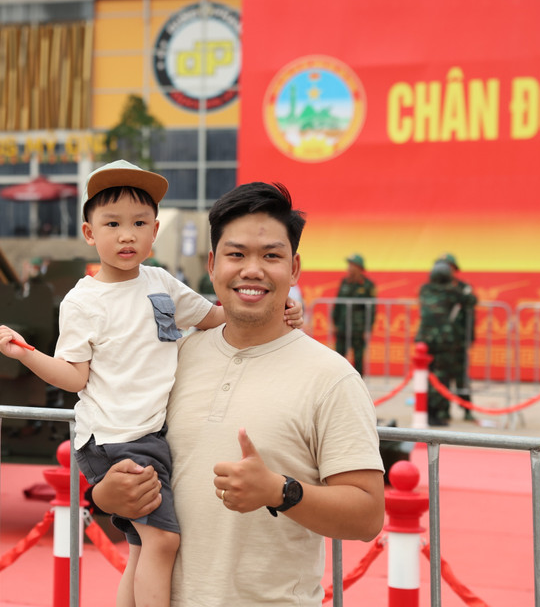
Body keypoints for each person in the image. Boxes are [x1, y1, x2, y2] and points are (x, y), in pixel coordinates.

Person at [0, 161, 304, 607]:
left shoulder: (162, 283)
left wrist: (281, 311)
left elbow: (214, 316)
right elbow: (74, 375)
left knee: (140, 547)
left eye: (138, 224)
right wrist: (25, 355)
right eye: (111, 224)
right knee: (162, 544)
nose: (126, 235)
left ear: (155, 231)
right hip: (117, 439)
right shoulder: (82, 301)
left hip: (148, 435)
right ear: (88, 233)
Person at [90, 181, 385, 606]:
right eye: (236, 254)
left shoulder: (331, 378)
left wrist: (280, 491)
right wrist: (104, 495)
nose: (252, 269)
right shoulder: (172, 358)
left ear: (294, 268)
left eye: (270, 256)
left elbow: (367, 516)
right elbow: (120, 455)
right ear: (212, 264)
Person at [417, 260, 471, 426]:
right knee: (441, 378)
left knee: (426, 376)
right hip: (443, 341)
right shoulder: (452, 291)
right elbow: (471, 300)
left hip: (425, 340)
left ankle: (426, 412)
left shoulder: (425, 290)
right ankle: (435, 414)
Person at [437, 252, 478, 421]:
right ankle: (443, 410)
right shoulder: (435, 287)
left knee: (461, 376)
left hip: (459, 340)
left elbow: (472, 304)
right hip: (441, 340)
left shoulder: (462, 287)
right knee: (442, 377)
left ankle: (466, 409)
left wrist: (470, 337)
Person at [331, 253, 377, 375]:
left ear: (359, 267)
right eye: (349, 265)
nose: (349, 268)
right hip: (342, 326)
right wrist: (334, 323)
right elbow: (338, 304)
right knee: (339, 357)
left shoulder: (367, 285)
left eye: (352, 265)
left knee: (358, 359)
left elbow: (371, 310)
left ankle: (358, 385)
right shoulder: (344, 283)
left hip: (358, 328)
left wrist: (368, 329)